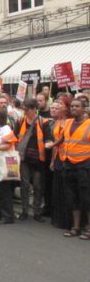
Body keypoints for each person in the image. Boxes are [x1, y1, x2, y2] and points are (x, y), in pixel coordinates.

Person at [56, 98, 90, 239]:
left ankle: (88, 229)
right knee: (72, 198)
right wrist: (53, 144)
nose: (73, 108)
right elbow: (63, 138)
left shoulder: (88, 125)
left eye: (77, 106)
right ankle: (75, 227)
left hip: (84, 166)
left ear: (84, 109)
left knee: (86, 199)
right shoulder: (68, 122)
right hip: (69, 165)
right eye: (72, 106)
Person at [14, 98, 50, 222]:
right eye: (24, 109)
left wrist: (49, 144)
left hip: (38, 159)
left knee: (38, 186)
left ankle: (37, 212)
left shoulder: (43, 122)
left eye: (27, 109)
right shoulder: (20, 121)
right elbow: (14, 137)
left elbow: (48, 138)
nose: (25, 112)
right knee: (24, 185)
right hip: (24, 159)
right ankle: (24, 211)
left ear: (34, 109)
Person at [47, 97, 72, 230]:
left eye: (61, 104)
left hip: (67, 158)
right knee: (57, 188)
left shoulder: (69, 122)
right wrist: (52, 160)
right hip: (57, 157)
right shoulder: (57, 122)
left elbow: (61, 140)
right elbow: (55, 143)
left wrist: (52, 146)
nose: (58, 105)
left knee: (66, 189)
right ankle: (58, 218)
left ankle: (67, 220)